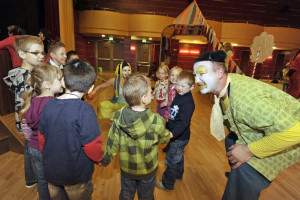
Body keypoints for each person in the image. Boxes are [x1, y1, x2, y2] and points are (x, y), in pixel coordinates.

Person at [193, 50, 300, 200]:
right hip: (269, 130)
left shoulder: (247, 102)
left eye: (201, 74)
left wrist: (248, 151)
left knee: (245, 170)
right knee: (231, 141)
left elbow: (295, 133)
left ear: (219, 73)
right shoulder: (226, 83)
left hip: (289, 135)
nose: (197, 80)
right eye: (195, 75)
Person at [100, 73, 171, 200]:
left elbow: (112, 142)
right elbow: (164, 139)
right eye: (151, 91)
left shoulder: (119, 116)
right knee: (147, 196)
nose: (152, 94)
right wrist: (168, 135)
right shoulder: (156, 120)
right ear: (144, 98)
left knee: (126, 195)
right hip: (148, 170)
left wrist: (106, 159)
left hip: (127, 169)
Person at [39, 59, 104, 199]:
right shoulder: (86, 110)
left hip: (51, 171)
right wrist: (99, 159)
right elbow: (91, 144)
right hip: (76, 175)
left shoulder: (48, 105)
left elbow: (42, 138)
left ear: (63, 82)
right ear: (90, 88)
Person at [3, 35, 45, 189]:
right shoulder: (25, 78)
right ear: (22, 54)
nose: (41, 56)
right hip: (29, 123)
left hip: (28, 123)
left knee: (29, 149)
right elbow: (24, 106)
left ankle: (30, 179)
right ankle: (38, 180)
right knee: (34, 150)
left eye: (42, 52)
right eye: (36, 53)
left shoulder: (28, 74)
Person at [19, 63, 63, 199]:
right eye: (58, 79)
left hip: (33, 148)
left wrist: (29, 138)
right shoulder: (55, 105)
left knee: (42, 181)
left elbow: (25, 125)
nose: (62, 82)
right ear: (47, 85)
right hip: (49, 150)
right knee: (57, 181)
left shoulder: (31, 100)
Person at [156, 70, 195, 191]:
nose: (179, 88)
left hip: (179, 137)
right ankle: (178, 174)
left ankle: (167, 184)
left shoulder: (188, 103)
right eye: (177, 85)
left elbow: (184, 122)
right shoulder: (180, 94)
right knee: (178, 155)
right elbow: (174, 113)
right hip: (176, 135)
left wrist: (172, 133)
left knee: (171, 161)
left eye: (183, 86)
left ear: (192, 87)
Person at [162, 66, 182, 153]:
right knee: (168, 128)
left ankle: (173, 145)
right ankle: (170, 143)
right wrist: (165, 102)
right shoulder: (170, 87)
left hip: (175, 113)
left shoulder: (179, 89)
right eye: (172, 75)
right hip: (169, 111)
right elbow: (168, 97)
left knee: (173, 130)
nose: (174, 77)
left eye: (177, 76)